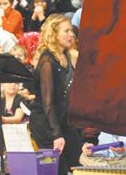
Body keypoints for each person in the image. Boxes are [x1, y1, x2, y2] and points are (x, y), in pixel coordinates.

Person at [29, 14, 81, 175]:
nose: (71, 34)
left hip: (63, 121)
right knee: (57, 171)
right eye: (66, 31)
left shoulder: (66, 55)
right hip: (46, 125)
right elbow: (48, 102)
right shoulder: (47, 61)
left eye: (71, 31)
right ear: (54, 34)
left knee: (77, 164)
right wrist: (56, 135)